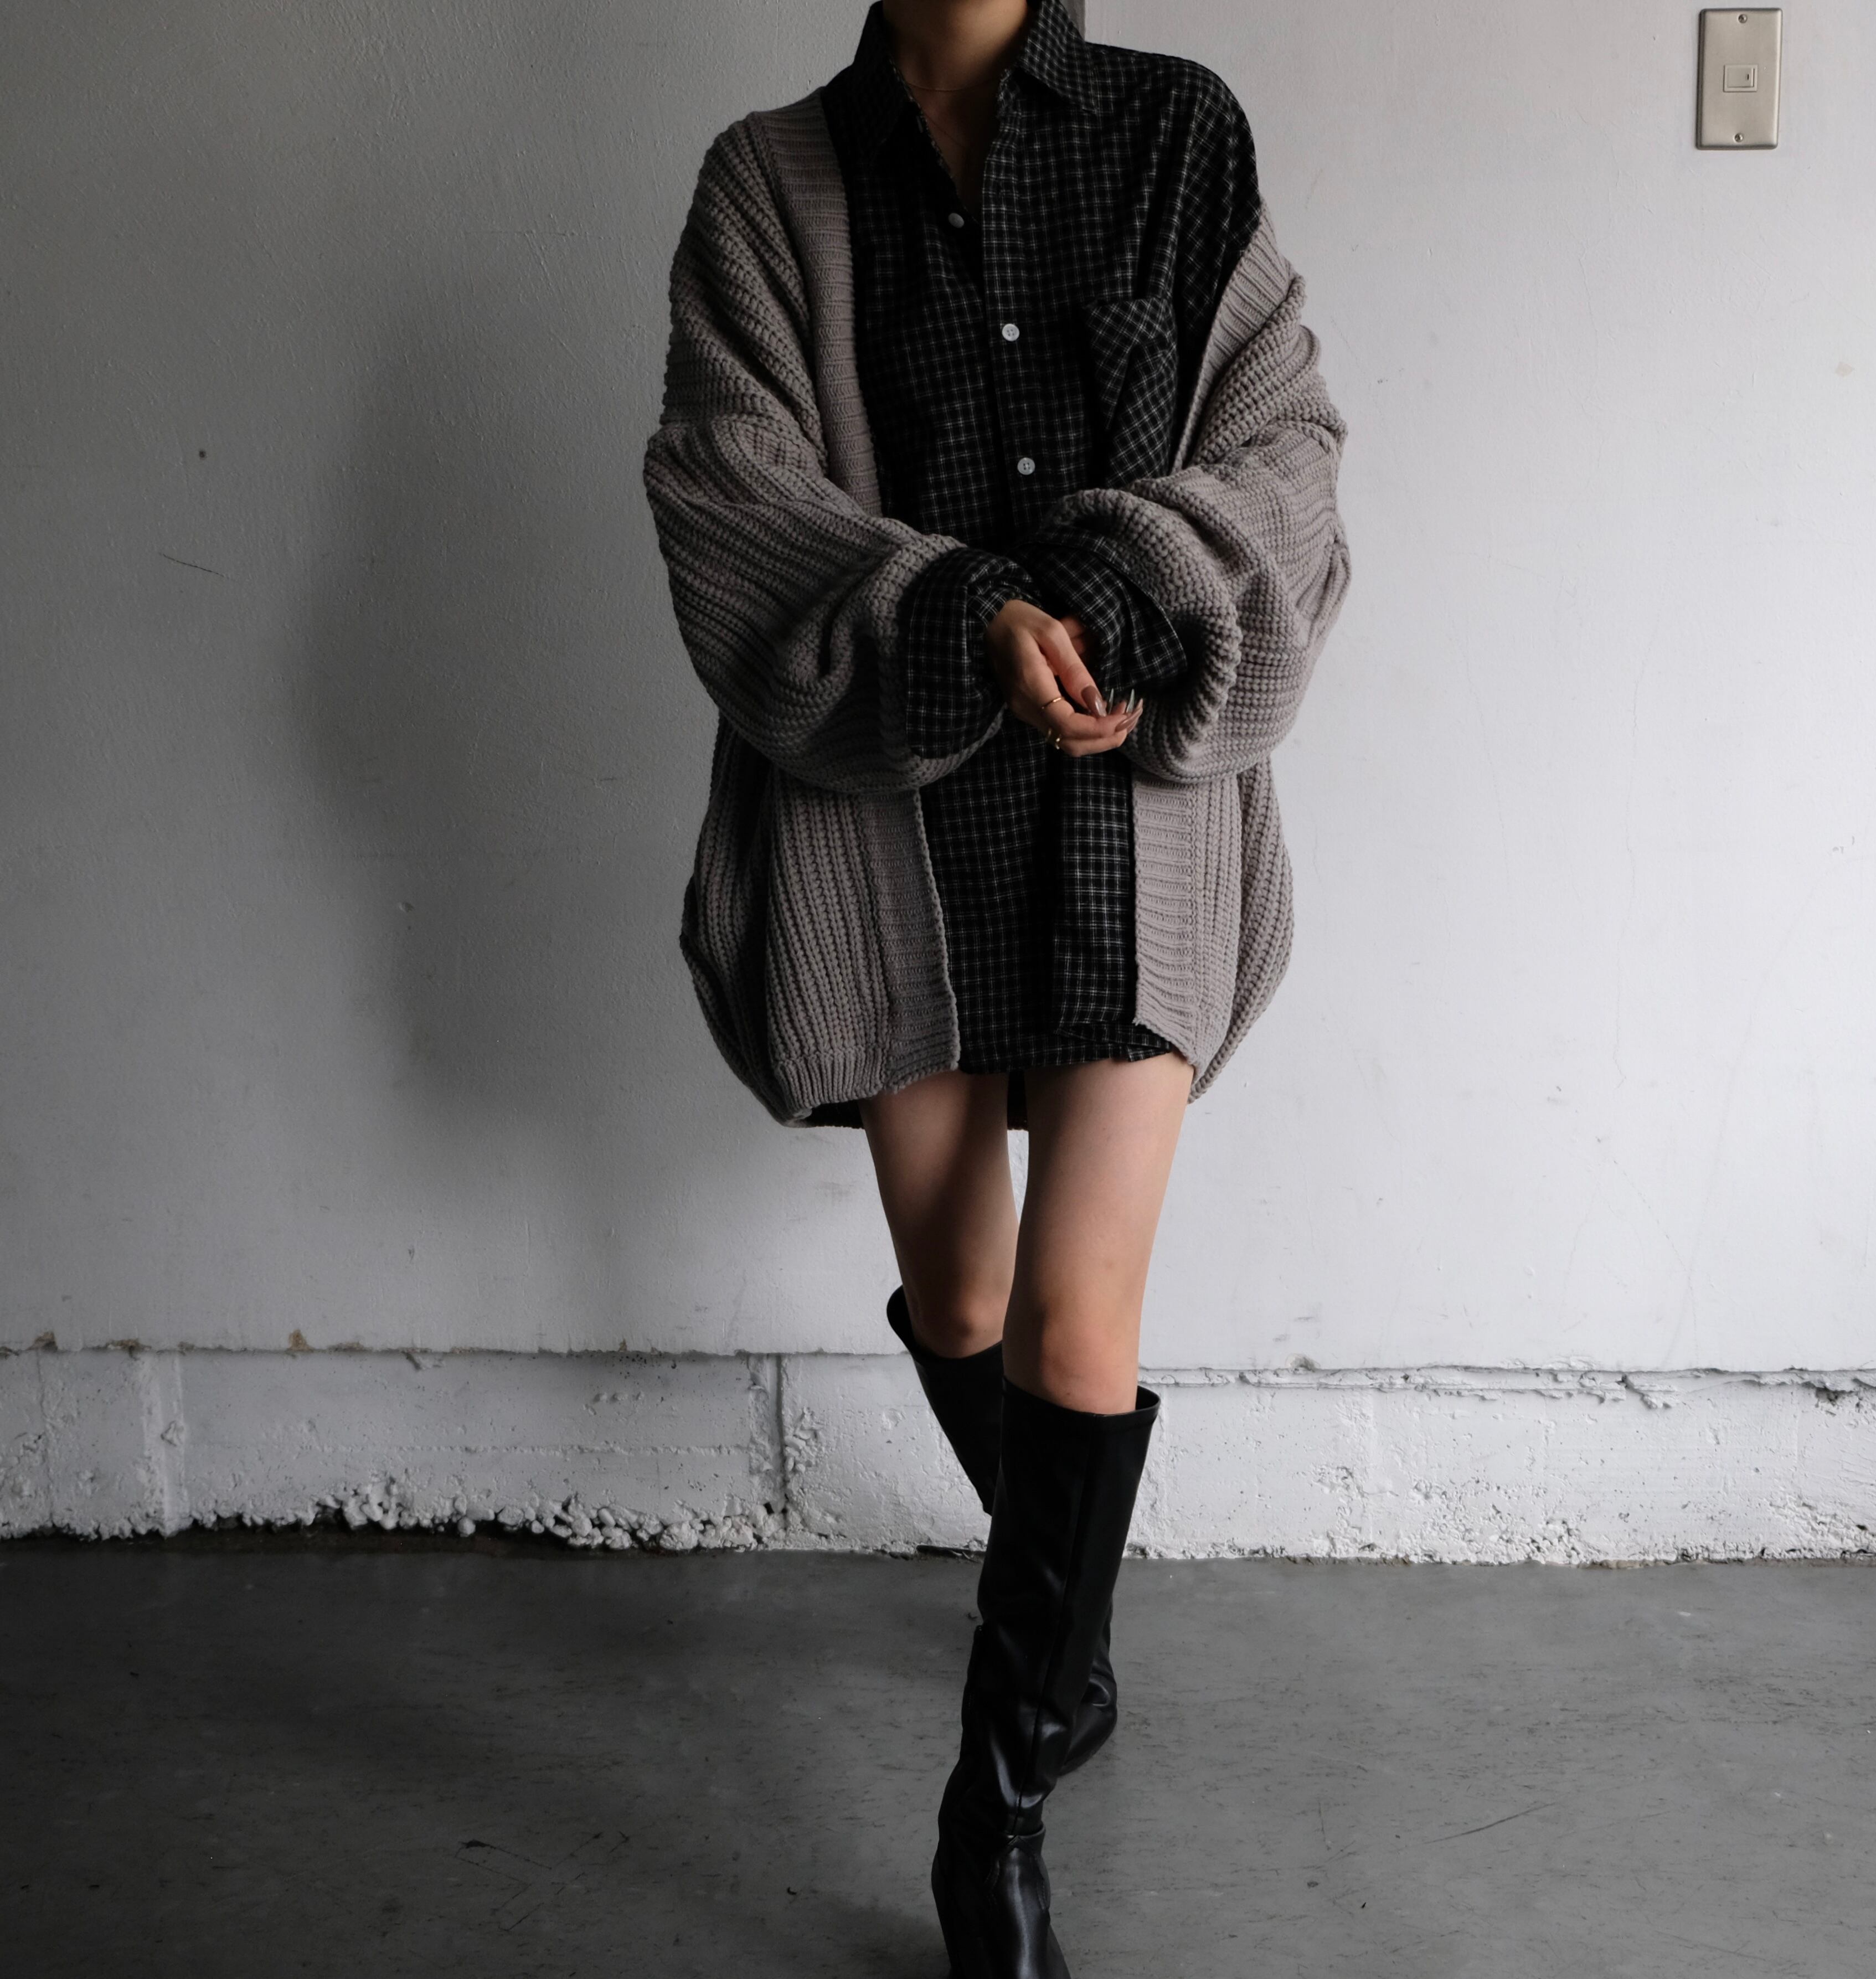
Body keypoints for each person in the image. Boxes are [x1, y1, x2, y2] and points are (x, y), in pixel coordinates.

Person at [643, 1, 1349, 1968]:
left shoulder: (1174, 133)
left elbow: (1285, 448)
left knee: (1073, 1310)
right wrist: (971, 609)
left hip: (1135, 804)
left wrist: (1119, 586)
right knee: (963, 1297)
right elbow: (726, 482)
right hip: (896, 815)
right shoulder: (770, 181)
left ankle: (997, 1813)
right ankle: (1071, 1635)